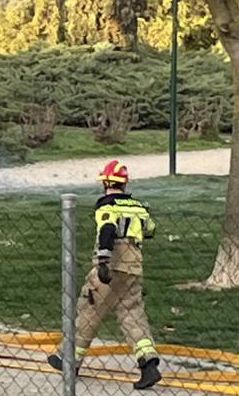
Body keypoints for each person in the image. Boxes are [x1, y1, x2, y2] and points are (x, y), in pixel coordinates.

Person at [48, 159, 161, 390]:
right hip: (133, 268)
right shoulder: (137, 206)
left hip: (110, 267)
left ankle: (68, 359)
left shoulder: (105, 206)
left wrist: (103, 262)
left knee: (89, 309)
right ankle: (149, 364)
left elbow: (107, 231)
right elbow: (151, 229)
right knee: (132, 314)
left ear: (106, 183)